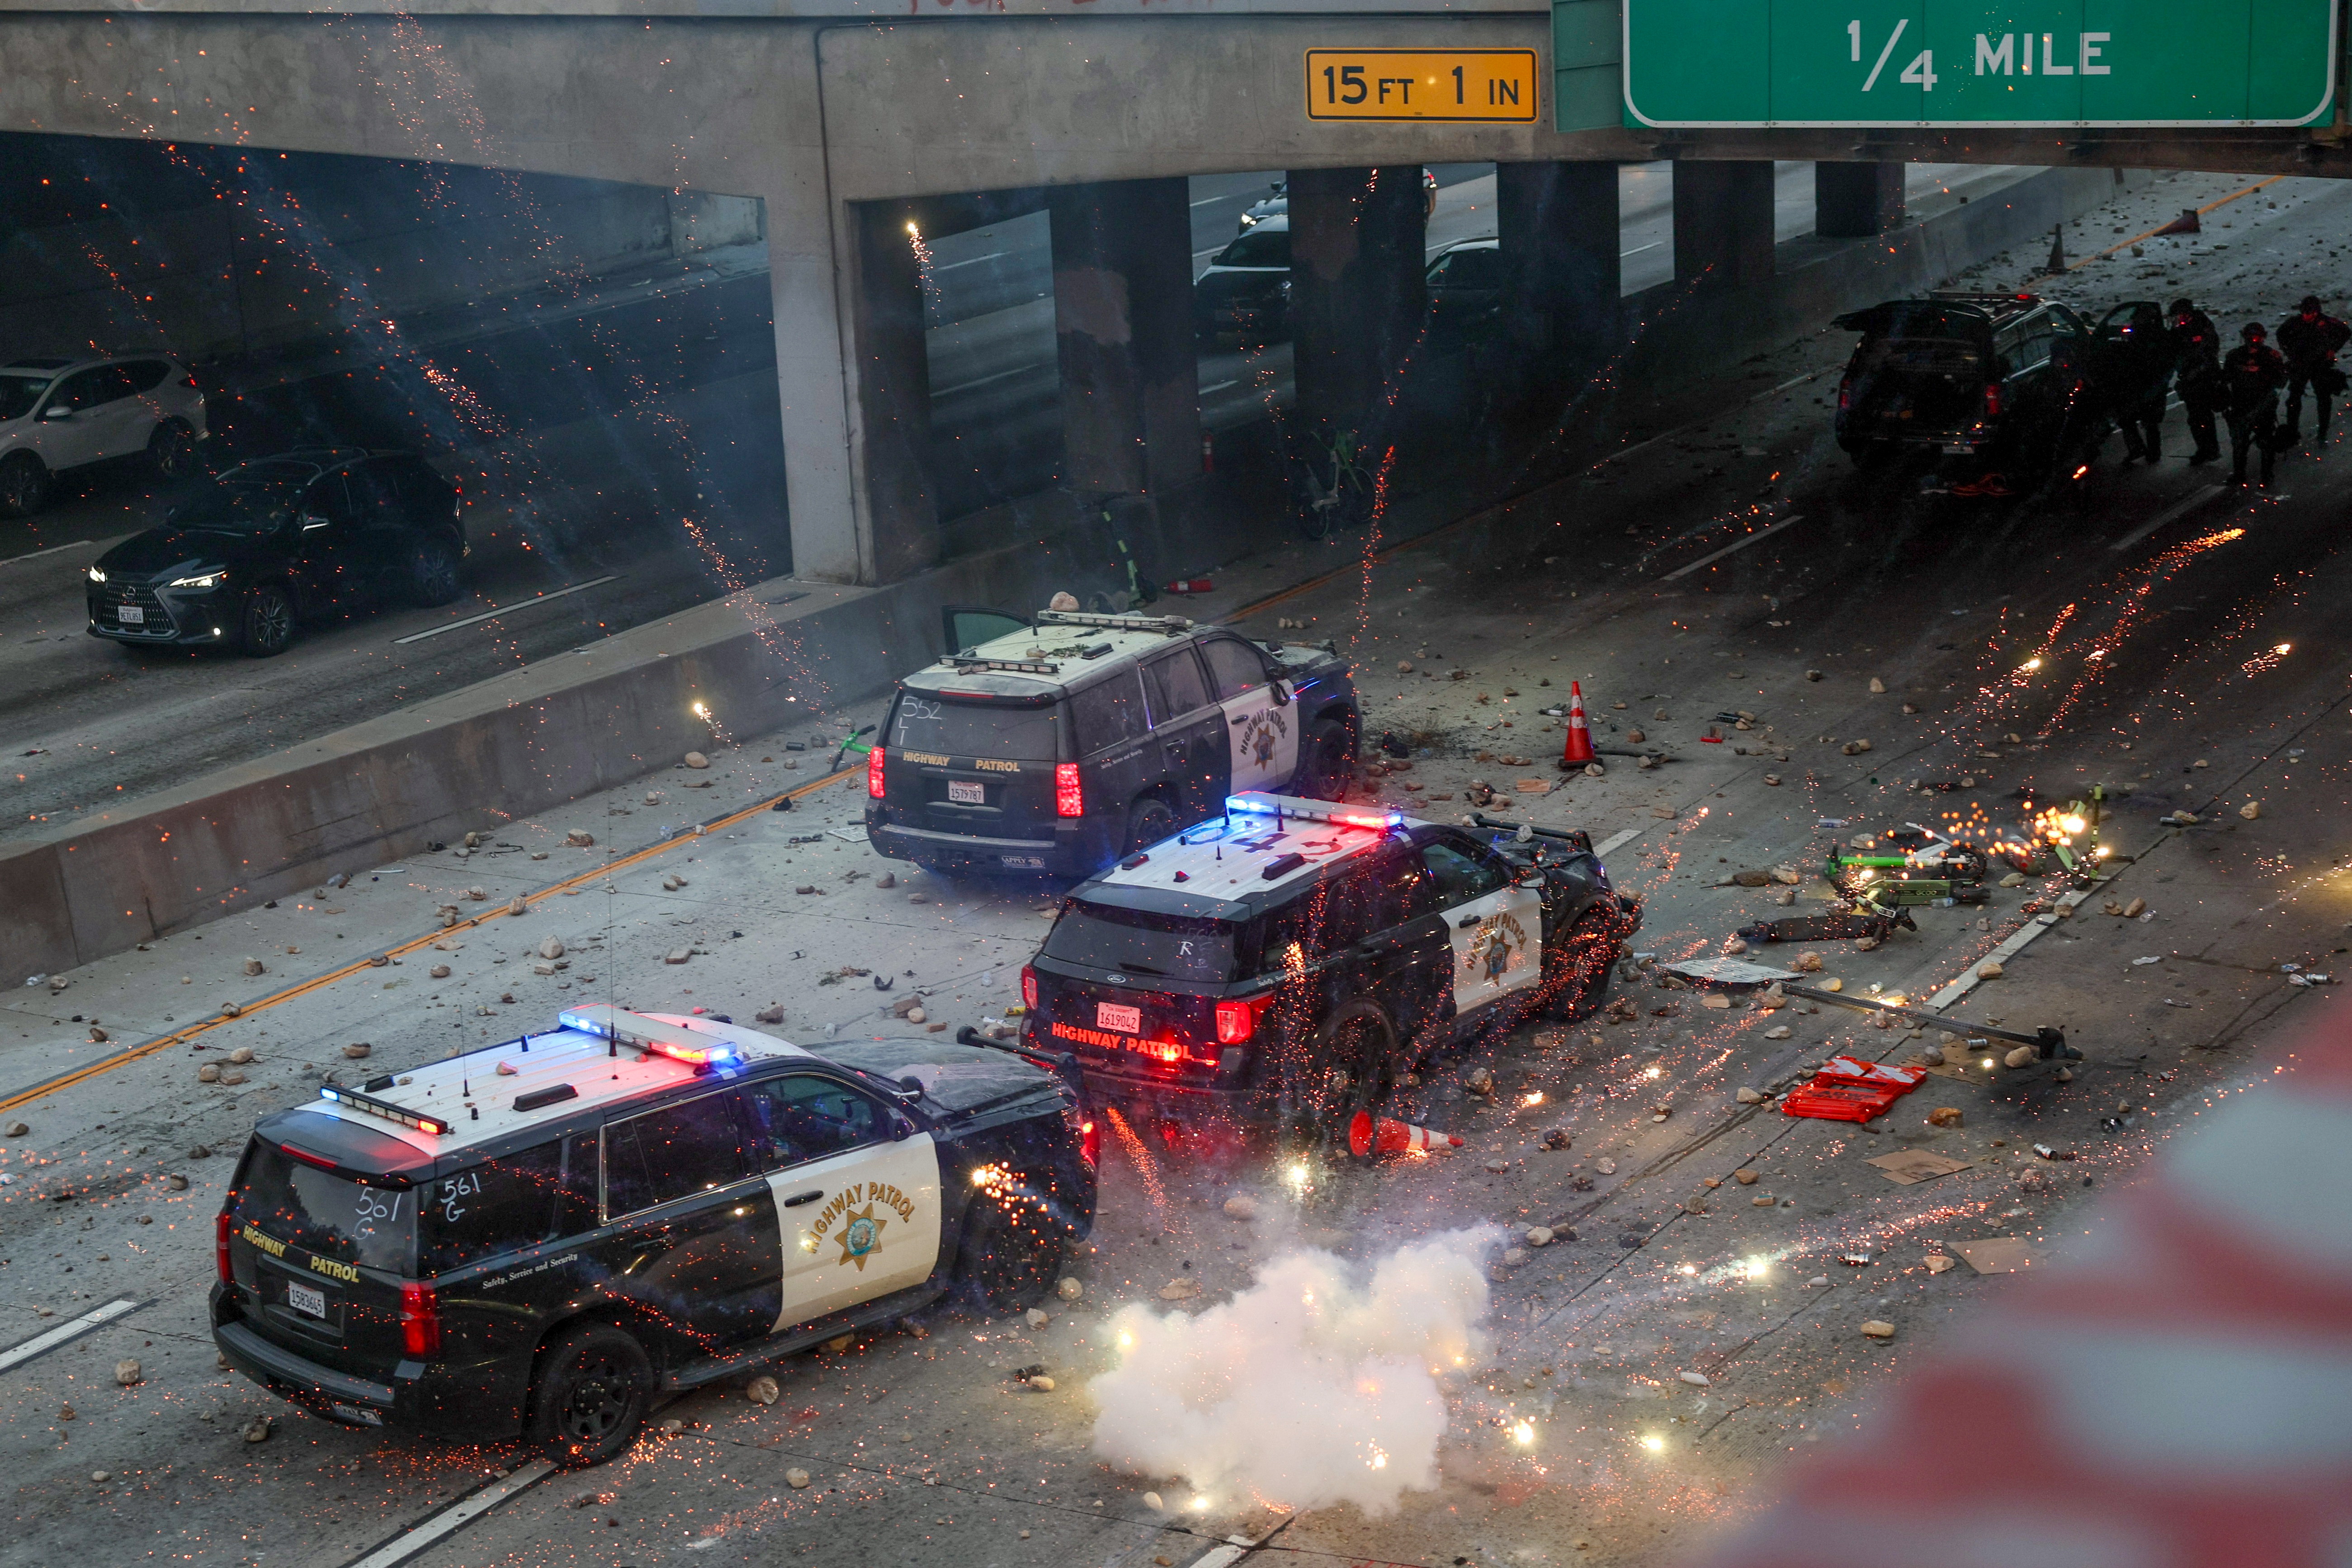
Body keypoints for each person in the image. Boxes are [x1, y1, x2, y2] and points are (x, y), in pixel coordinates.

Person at [2275, 294, 2350, 446]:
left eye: (2309, 313)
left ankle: (2322, 433)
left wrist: (2333, 349)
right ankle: (2293, 432)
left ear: (2316, 312)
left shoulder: (2327, 323)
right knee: (2294, 399)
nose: (2306, 316)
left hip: (2320, 365)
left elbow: (2346, 332)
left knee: (2324, 399)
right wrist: (2289, 351)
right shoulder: (2295, 323)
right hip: (2300, 365)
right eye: (2304, 312)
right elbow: (2280, 334)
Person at [2102, 303, 2173, 463]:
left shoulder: (2156, 337)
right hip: (2138, 383)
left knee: (2148, 422)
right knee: (2130, 418)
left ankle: (2150, 452)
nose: (2136, 321)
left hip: (2150, 384)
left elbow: (2163, 361)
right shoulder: (2141, 335)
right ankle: (2141, 450)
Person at [2220, 322, 2287, 487]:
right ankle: (2239, 474)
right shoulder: (2234, 356)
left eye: (2257, 337)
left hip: (2263, 405)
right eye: (2250, 337)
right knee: (2239, 442)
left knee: (2266, 442)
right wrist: (2224, 404)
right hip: (2240, 404)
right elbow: (2225, 380)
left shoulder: (2271, 356)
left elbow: (2281, 381)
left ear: (2263, 337)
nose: (2254, 340)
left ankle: (2267, 474)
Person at [2168, 299, 2223, 464]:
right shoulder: (2178, 331)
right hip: (2189, 378)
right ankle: (2205, 449)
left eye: (2180, 316)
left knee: (2204, 415)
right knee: (2195, 417)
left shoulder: (2202, 326)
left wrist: (2199, 367)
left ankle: (2210, 449)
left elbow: (2210, 349)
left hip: (2205, 377)